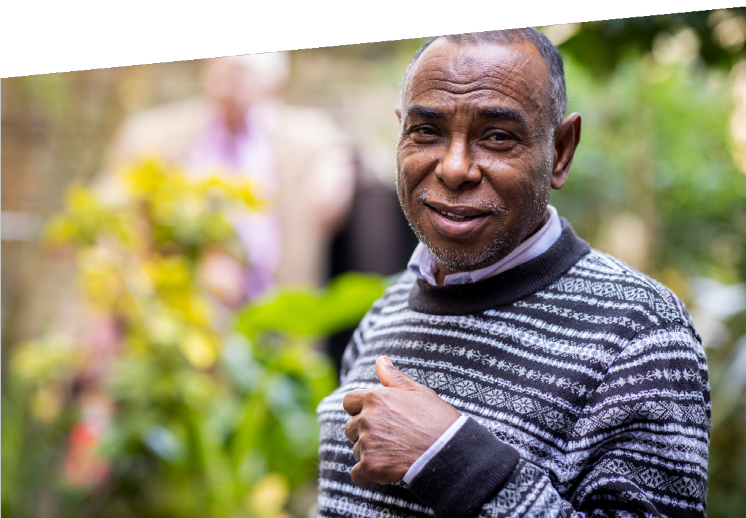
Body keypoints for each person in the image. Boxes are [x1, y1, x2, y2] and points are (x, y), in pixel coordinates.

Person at [316, 29, 709, 518]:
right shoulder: (385, 311)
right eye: (427, 131)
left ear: (561, 151)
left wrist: (448, 456)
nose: (455, 167)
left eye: (498, 136)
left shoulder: (641, 333)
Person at [102, 52, 354, 303]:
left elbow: (345, 151)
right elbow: (108, 210)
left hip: (274, 309)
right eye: (223, 68)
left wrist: (336, 173)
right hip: (178, 308)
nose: (229, 79)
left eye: (243, 71)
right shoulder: (151, 135)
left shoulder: (305, 136)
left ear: (273, 83)